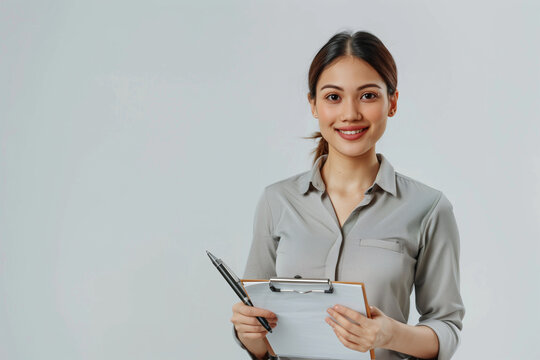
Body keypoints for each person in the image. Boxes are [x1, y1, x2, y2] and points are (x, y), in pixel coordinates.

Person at [230, 30, 465, 360]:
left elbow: (447, 327)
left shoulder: (428, 208)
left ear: (392, 102)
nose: (351, 113)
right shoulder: (276, 201)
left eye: (368, 96)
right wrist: (248, 332)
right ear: (313, 104)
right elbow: (261, 335)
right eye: (333, 97)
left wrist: (391, 333)